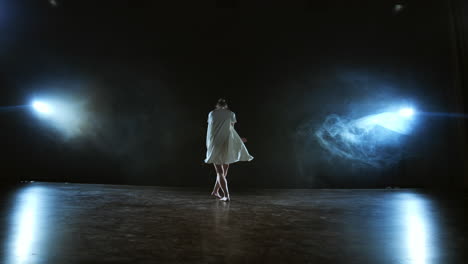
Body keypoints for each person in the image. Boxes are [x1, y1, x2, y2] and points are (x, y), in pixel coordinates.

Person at [205, 98, 254, 201]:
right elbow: (232, 129)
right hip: (227, 143)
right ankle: (224, 194)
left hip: (216, 143)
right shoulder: (231, 113)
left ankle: (217, 192)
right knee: (224, 170)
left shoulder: (212, 113)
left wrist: (209, 145)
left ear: (217, 106)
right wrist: (239, 139)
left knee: (220, 172)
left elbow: (210, 130)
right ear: (226, 106)